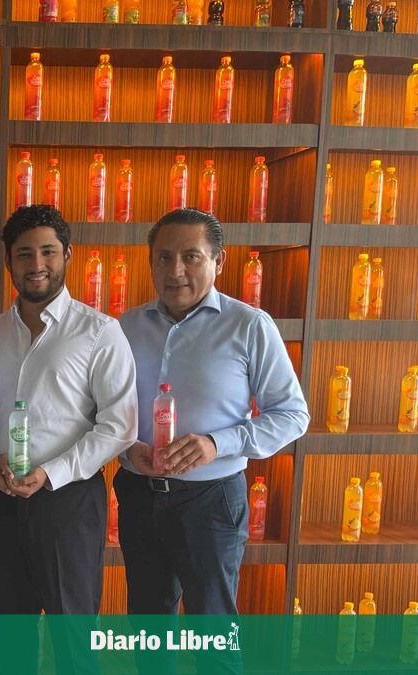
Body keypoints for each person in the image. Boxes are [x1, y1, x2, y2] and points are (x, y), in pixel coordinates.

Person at [116, 209, 308, 655]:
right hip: (139, 493)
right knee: (147, 625)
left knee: (213, 630)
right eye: (164, 257)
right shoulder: (125, 327)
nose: (175, 271)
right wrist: (128, 448)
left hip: (211, 501)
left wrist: (216, 443)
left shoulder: (249, 325)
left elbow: (292, 415)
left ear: (219, 261)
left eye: (191, 256)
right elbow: (107, 410)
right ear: (150, 262)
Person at [0, 205, 137, 673]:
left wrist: (51, 472)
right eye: (24, 253)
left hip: (69, 503)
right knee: (11, 637)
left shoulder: (100, 332)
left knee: (73, 638)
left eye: (48, 251)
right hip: (1, 497)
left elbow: (120, 425)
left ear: (68, 256)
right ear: (8, 262)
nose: (36, 264)